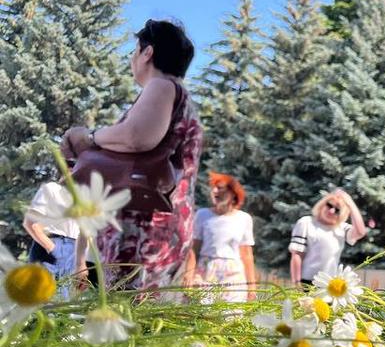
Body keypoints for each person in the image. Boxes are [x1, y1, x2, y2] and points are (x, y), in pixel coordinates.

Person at [61, 19, 202, 291]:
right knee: (142, 321)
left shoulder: (162, 86)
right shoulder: (180, 97)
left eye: (134, 50)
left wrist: (88, 138)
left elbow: (137, 136)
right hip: (159, 231)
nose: (132, 58)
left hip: (142, 235)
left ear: (147, 52)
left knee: (127, 320)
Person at [186, 173, 256, 302]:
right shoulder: (203, 215)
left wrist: (251, 286)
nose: (214, 191)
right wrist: (189, 275)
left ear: (233, 193)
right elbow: (194, 249)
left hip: (233, 273)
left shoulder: (244, 218)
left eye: (220, 188)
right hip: (206, 270)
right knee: (201, 313)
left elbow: (247, 254)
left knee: (230, 316)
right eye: (213, 188)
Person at [289, 189, 368, 286]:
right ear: (322, 204)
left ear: (342, 214)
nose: (331, 211)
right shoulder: (306, 223)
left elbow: (360, 232)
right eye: (329, 205)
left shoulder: (342, 228)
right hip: (306, 282)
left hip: (329, 285)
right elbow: (297, 255)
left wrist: (350, 203)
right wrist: (296, 283)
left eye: (337, 210)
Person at [23, 181, 80, 294]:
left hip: (73, 250)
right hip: (52, 244)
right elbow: (30, 223)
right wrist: (53, 248)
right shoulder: (52, 188)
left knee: (63, 302)